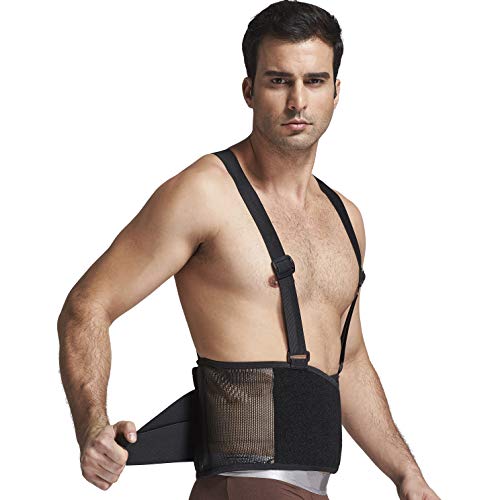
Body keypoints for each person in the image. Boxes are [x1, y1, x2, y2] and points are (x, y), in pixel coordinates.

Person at [57, 1, 440, 499]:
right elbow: (87, 305)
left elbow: (349, 360)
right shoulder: (204, 194)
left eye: (315, 81)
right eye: (279, 81)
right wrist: (92, 424)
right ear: (249, 90)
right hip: (241, 485)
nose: (298, 101)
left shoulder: (347, 218)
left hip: (314, 489)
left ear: (336, 92)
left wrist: (407, 474)